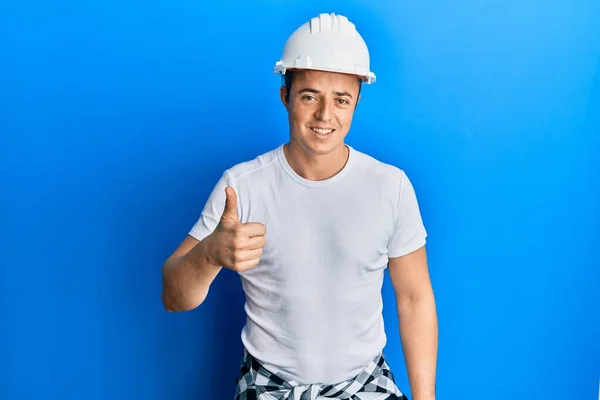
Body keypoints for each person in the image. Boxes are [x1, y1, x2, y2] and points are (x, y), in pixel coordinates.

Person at [161, 12, 438, 400]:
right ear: (285, 96)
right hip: (268, 385)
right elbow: (173, 298)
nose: (325, 115)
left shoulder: (390, 187)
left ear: (356, 101)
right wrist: (208, 254)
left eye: (341, 99)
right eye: (310, 96)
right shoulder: (241, 187)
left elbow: (414, 298)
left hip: (364, 383)